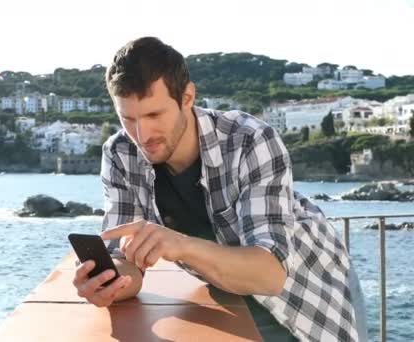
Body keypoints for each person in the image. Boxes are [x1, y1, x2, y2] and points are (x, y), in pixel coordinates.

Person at [71, 37, 368, 341]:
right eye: (128, 119)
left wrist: (180, 244)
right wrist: (109, 282)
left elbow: (270, 275)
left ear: (187, 97)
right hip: (228, 292)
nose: (142, 135)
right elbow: (126, 264)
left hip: (311, 289)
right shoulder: (121, 153)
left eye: (154, 115)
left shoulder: (249, 139)